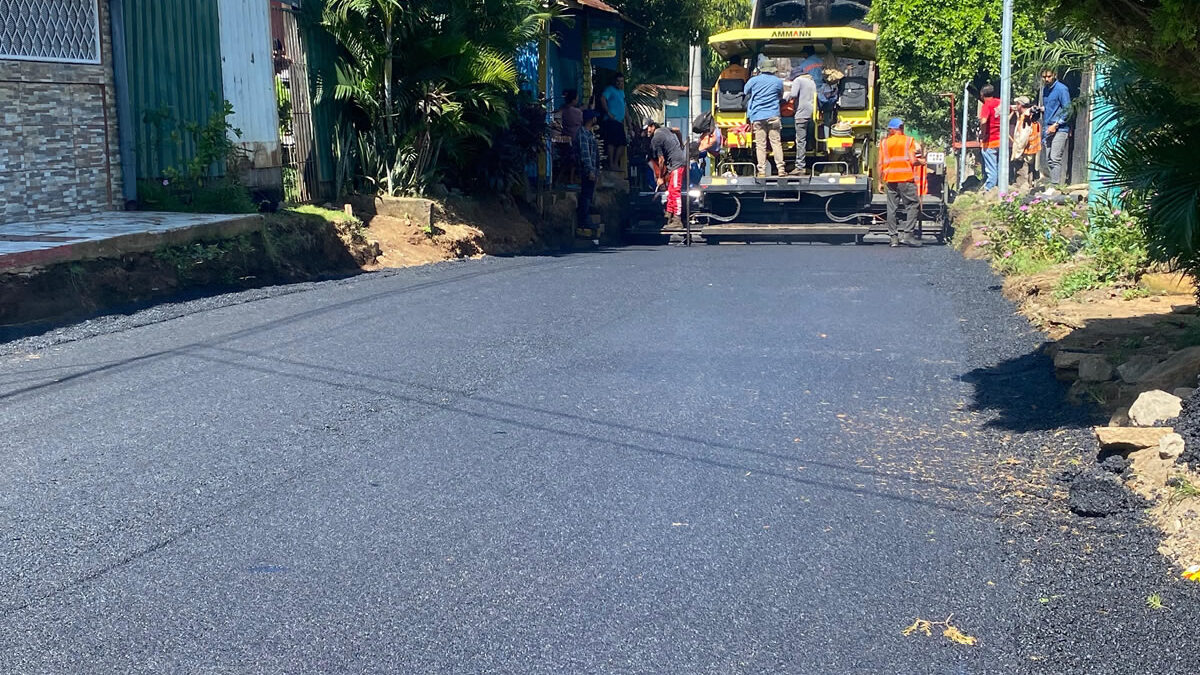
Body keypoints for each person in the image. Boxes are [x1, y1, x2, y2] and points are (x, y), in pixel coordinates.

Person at [878, 118, 924, 248]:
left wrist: (879, 182)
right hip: (905, 178)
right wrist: (921, 162)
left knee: (891, 208)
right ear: (901, 128)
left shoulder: (884, 143)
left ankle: (893, 238)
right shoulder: (908, 141)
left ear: (892, 130)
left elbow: (880, 163)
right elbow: (913, 160)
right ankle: (908, 235)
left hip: (890, 179)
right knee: (913, 205)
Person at [743, 59, 785, 177]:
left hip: (758, 116)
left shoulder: (754, 80)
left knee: (760, 145)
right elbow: (780, 95)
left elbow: (745, 91)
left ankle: (761, 171)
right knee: (776, 143)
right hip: (773, 115)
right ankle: (781, 169)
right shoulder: (778, 82)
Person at [645, 121, 687, 229]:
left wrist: (660, 178)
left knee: (675, 191)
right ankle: (669, 214)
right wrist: (681, 143)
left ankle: (677, 219)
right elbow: (677, 130)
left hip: (676, 164)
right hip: (676, 162)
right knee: (671, 190)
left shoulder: (655, 139)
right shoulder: (665, 129)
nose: (647, 132)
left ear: (653, 127)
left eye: (648, 129)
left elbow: (661, 160)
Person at [1041, 69, 1072, 185]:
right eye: (1044, 77)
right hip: (1048, 127)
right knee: (1049, 159)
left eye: (1049, 76)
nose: (1047, 79)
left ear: (1054, 75)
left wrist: (1057, 124)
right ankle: (1053, 184)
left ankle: (1056, 186)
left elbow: (1068, 109)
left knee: (1055, 158)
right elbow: (1049, 108)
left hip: (1059, 128)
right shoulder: (1045, 90)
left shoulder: (1061, 89)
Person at [784, 68, 816, 175]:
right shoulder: (811, 81)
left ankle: (800, 166)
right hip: (812, 112)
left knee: (800, 141)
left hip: (801, 113)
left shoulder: (798, 80)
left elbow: (793, 94)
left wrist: (784, 97)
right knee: (807, 137)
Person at [597, 73, 628, 173]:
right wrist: (608, 112)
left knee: (622, 143)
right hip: (611, 120)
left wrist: (629, 119)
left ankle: (615, 163)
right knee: (611, 143)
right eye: (618, 81)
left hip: (619, 121)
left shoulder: (622, 92)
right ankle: (611, 163)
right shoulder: (610, 89)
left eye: (621, 82)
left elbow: (624, 106)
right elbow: (602, 98)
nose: (619, 83)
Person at [576, 110, 600, 234]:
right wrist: (590, 170)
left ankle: (586, 218)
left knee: (589, 195)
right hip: (586, 171)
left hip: (592, 170)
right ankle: (583, 219)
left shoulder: (589, 134)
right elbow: (585, 154)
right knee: (585, 195)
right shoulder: (583, 134)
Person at [1009, 96, 1041, 189]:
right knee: (1029, 167)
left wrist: (1018, 151)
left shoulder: (1026, 118)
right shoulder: (1025, 115)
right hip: (1029, 149)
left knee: (1023, 168)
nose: (1015, 106)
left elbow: (1024, 136)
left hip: (1025, 149)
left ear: (1020, 105)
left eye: (1017, 104)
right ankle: (1028, 184)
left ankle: (1024, 187)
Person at [978, 84, 1002, 191]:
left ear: (982, 94)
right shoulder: (1000, 102)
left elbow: (983, 121)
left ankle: (990, 188)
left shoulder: (986, 105)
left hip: (990, 141)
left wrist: (983, 134)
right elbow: (1010, 112)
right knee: (1001, 166)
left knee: (991, 167)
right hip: (1001, 140)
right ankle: (1002, 187)